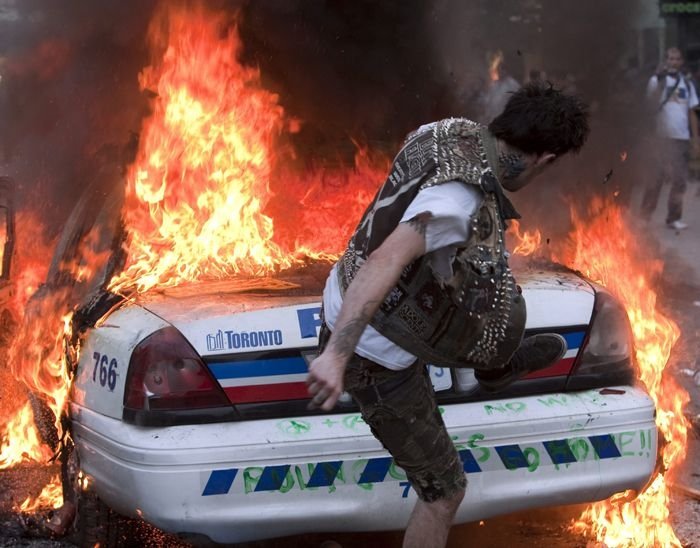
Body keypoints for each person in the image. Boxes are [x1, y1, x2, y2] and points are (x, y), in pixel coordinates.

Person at [306, 82, 589, 548]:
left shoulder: (440, 131)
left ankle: (496, 365)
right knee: (445, 493)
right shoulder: (457, 204)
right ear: (546, 159)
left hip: (347, 289)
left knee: (492, 288)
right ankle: (494, 363)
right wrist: (337, 355)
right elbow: (387, 259)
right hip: (373, 354)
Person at [641, 47, 700, 230]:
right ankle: (644, 217)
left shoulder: (687, 84)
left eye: (677, 59)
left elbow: (692, 112)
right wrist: (659, 80)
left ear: (681, 62)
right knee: (655, 179)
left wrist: (695, 138)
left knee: (680, 180)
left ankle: (674, 218)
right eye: (670, 59)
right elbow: (649, 105)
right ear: (665, 61)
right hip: (661, 138)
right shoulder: (656, 80)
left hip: (681, 138)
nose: (674, 62)